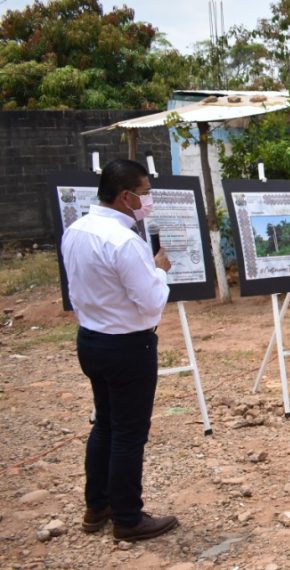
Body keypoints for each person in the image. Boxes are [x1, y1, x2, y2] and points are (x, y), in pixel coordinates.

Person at [61, 159, 179, 541]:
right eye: (145, 193)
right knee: (129, 433)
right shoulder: (125, 242)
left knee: (106, 424)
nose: (148, 201)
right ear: (126, 197)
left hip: (91, 339)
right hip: (127, 346)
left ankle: (97, 506)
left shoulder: (76, 230)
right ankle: (128, 518)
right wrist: (159, 270)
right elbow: (151, 302)